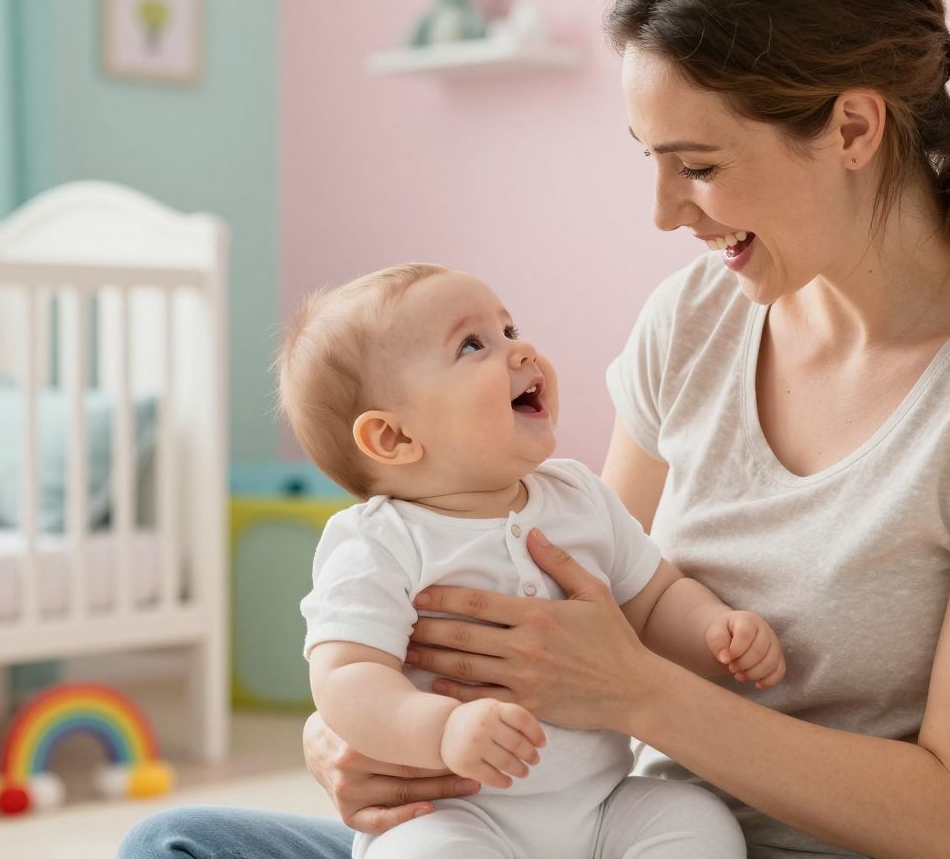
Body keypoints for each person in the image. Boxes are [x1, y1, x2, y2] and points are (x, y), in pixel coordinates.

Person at [120, 0, 950, 859]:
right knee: (173, 845)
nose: (666, 214)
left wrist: (648, 702)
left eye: (700, 166)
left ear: (853, 126)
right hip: (596, 829)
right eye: (651, 160)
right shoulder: (695, 321)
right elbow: (573, 601)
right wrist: (367, 742)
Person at [279, 263, 765, 856]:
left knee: (693, 819)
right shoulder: (378, 542)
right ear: (393, 438)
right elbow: (346, 677)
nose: (520, 350)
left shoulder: (578, 495)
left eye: (510, 330)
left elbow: (654, 596)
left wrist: (713, 630)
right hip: (459, 814)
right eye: (472, 344)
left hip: (601, 806)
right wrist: (442, 728)